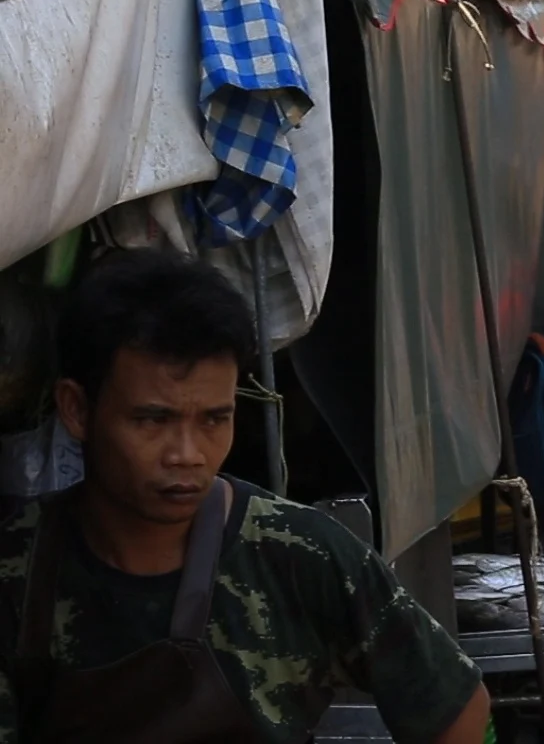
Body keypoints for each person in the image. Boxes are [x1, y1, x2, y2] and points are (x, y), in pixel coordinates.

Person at [0, 249, 490, 742]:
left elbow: (456, 707)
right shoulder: (18, 569)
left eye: (215, 419)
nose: (187, 454)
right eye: (153, 420)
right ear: (77, 409)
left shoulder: (301, 554)